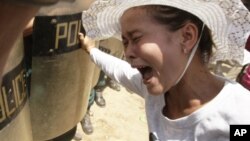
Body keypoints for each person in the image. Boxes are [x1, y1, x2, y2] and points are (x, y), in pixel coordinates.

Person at [79, 0, 250, 140]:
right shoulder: (156, 91)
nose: (128, 53)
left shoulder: (240, 115)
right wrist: (91, 50)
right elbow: (119, 69)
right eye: (125, 42)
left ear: (187, 36)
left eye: (136, 38)